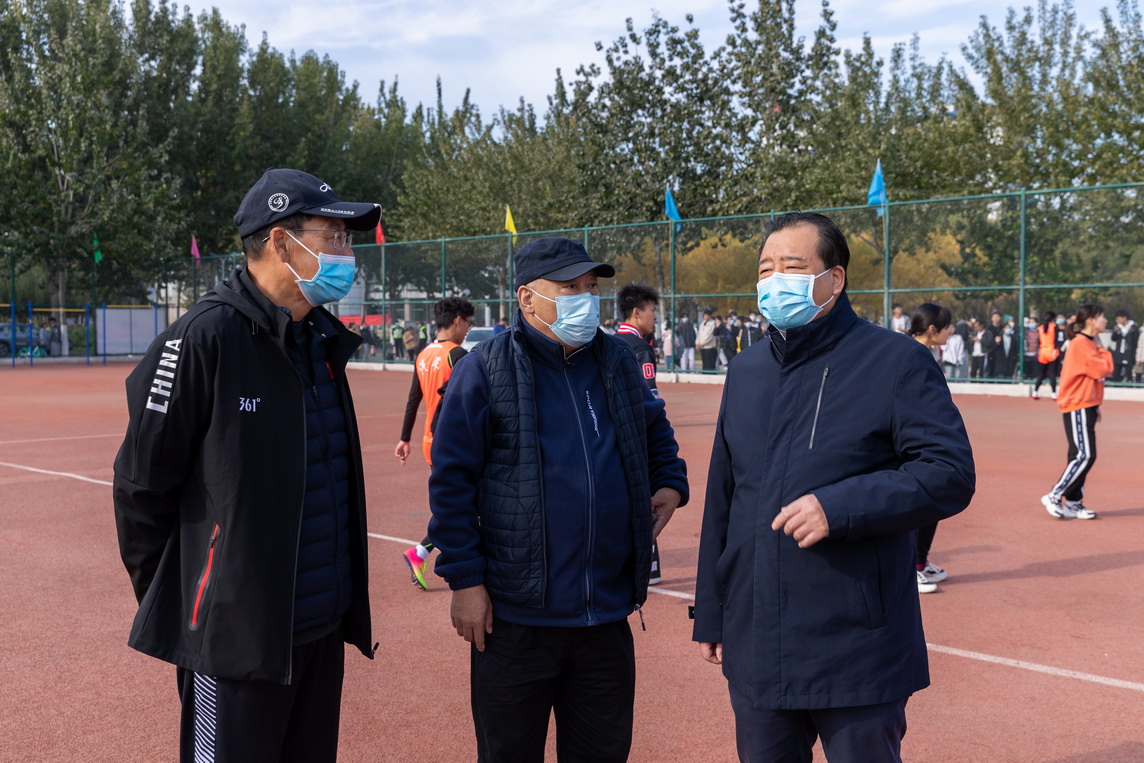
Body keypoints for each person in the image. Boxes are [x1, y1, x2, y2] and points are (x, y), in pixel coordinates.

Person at [113, 168, 379, 762]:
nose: (347, 253)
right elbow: (140, 487)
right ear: (282, 242)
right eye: (334, 237)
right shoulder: (201, 340)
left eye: (347, 239)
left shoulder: (320, 341)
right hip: (233, 644)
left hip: (319, 629)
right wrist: (199, 611)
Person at [693, 212, 975, 762]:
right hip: (757, 643)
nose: (775, 280)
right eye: (766, 269)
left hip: (856, 645)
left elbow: (949, 472)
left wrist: (840, 506)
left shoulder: (896, 361)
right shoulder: (746, 370)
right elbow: (724, 498)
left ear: (835, 278)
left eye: (793, 267)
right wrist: (712, 609)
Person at [428, 236, 689, 762]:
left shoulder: (616, 360)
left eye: (591, 287)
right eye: (570, 288)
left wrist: (669, 482)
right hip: (515, 622)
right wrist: (465, 581)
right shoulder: (484, 369)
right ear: (528, 298)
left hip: (605, 617)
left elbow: (655, 428)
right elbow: (451, 482)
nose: (586, 299)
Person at [395, 297, 475, 590]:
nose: (468, 329)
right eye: (469, 323)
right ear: (458, 320)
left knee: (456, 502)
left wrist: (405, 438)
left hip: (432, 441)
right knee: (463, 504)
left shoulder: (423, 354)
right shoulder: (457, 354)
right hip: (454, 441)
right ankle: (422, 552)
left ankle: (422, 552)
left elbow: (413, 399)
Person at [1042, 305, 1114, 520]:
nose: (1105, 320)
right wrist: (1103, 349)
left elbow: (1093, 376)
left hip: (1086, 404)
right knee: (1085, 455)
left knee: (1078, 454)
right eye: (1102, 316)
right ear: (1091, 320)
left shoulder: (1088, 343)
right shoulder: (1081, 343)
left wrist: (1095, 405)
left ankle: (1073, 502)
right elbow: (1103, 369)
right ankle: (1055, 494)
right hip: (1077, 403)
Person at [616, 283, 665, 585]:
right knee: (644, 499)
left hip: (613, 437)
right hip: (637, 438)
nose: (655, 317)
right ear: (637, 312)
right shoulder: (640, 348)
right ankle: (650, 568)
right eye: (652, 311)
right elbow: (651, 402)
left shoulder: (609, 342)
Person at [908, 303, 957, 594]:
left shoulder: (926, 352)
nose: (950, 331)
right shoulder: (911, 353)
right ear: (931, 329)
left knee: (932, 500)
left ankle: (919, 562)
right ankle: (909, 568)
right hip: (913, 442)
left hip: (929, 439)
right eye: (947, 326)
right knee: (920, 502)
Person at [1031, 311, 1064, 399]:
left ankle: (1035, 392)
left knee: (1041, 374)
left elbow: (1039, 341)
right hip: (1052, 352)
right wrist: (1055, 350)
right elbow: (1056, 340)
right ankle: (1053, 393)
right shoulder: (1054, 327)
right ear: (1053, 318)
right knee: (1052, 374)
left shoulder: (1040, 328)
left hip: (1042, 352)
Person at [1110, 310, 1138, 383]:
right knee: (1116, 372)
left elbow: (1135, 342)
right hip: (1119, 353)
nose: (1117, 321)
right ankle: (1116, 384)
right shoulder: (1118, 328)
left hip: (1129, 353)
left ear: (1124, 318)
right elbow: (1113, 339)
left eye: (1118, 319)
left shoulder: (1133, 328)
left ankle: (1129, 384)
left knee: (1128, 372)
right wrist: (1115, 332)